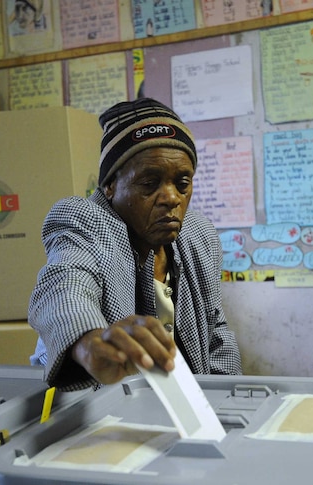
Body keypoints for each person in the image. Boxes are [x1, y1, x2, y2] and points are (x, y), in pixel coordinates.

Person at [29, 98, 242, 391]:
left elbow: (215, 330)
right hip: (95, 410)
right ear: (110, 185)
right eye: (149, 183)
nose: (171, 198)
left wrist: (228, 400)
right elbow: (65, 286)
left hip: (182, 406)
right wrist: (90, 343)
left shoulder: (199, 235)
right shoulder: (86, 219)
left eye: (182, 183)